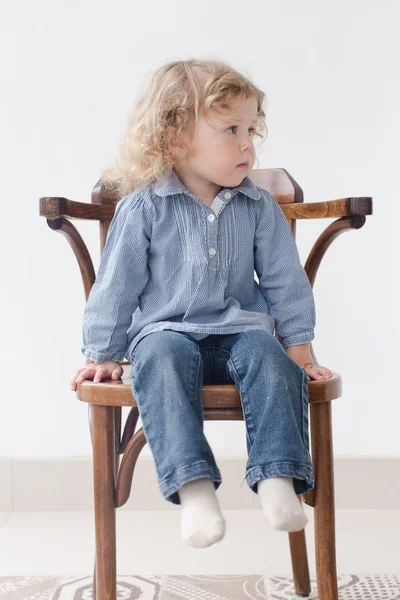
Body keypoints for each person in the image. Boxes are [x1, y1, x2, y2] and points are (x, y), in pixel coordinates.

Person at [70, 58, 333, 549]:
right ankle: (193, 487)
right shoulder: (144, 207)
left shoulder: (257, 207)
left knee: (271, 362)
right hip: (165, 332)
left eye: (251, 128)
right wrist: (102, 353)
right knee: (161, 360)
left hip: (241, 330)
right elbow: (116, 286)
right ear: (174, 139)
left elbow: (284, 281)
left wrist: (299, 348)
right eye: (230, 129)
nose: (248, 143)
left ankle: (278, 477)